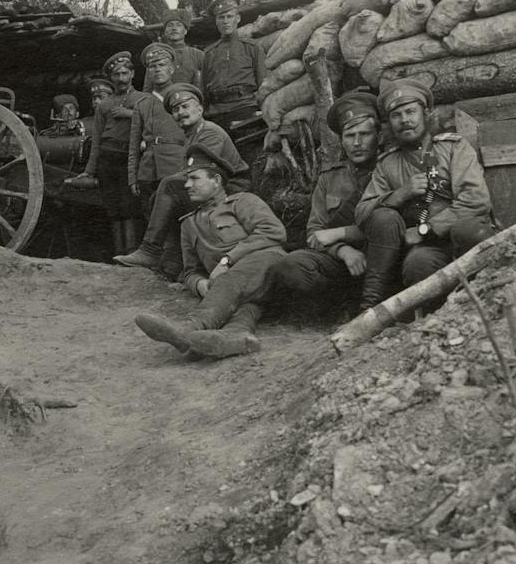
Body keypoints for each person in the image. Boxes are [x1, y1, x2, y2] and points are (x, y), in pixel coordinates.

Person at [354, 80, 496, 316]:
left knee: (470, 232)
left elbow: (476, 200)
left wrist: (425, 230)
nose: (405, 120)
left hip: (462, 232)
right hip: (431, 247)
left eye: (411, 111)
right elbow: (362, 212)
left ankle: (490, 304)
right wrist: (400, 194)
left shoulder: (453, 148)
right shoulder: (388, 164)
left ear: (425, 114)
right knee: (416, 264)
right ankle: (440, 318)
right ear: (390, 123)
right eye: (396, 115)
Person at [133, 146, 288, 359]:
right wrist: (200, 284)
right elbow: (190, 270)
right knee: (244, 302)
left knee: (232, 279)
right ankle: (237, 337)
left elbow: (274, 232)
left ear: (216, 180)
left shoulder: (243, 201)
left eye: (194, 179)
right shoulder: (188, 224)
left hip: (269, 266)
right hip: (240, 289)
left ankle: (190, 328)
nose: (187, 185)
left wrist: (227, 260)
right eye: (187, 179)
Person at [113, 82, 248, 275]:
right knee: (160, 196)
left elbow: (202, 173)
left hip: (234, 187)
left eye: (185, 106)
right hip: (213, 186)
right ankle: (174, 261)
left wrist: (171, 184)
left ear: (200, 109)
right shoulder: (192, 135)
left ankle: (150, 250)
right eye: (175, 110)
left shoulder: (210, 132)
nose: (181, 113)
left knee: (169, 187)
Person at [270, 91, 382, 303]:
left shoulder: (388, 169)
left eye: (364, 134)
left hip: (381, 259)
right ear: (341, 141)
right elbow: (315, 233)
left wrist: (344, 235)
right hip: (341, 262)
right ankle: (335, 305)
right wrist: (343, 250)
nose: (357, 142)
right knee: (291, 265)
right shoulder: (330, 177)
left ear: (379, 136)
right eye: (349, 136)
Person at [70, 52, 146, 255]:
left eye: (124, 73)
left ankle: (131, 252)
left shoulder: (143, 100)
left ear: (132, 74)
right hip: (107, 159)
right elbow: (96, 141)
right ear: (111, 79)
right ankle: (118, 253)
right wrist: (89, 171)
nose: (121, 79)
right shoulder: (104, 105)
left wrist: (131, 114)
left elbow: (151, 125)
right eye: (116, 75)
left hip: (129, 160)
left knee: (129, 206)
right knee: (113, 209)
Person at [126, 43, 187, 213]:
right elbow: (133, 145)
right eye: (152, 66)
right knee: (153, 222)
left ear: (172, 69)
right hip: (148, 173)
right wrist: (133, 178)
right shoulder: (142, 104)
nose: (157, 70)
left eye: (162, 65)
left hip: (177, 167)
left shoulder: (184, 97)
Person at [199, 0, 269, 133]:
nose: (225, 21)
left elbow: (263, 84)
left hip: (246, 109)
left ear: (238, 19)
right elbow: (203, 90)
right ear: (216, 22)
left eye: (229, 17)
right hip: (216, 114)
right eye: (221, 17)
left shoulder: (252, 47)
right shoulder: (209, 53)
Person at [145, 9, 205, 89]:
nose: (174, 28)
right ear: (165, 31)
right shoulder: (156, 54)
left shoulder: (197, 55)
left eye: (178, 25)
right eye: (170, 25)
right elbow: (148, 85)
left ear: (185, 31)